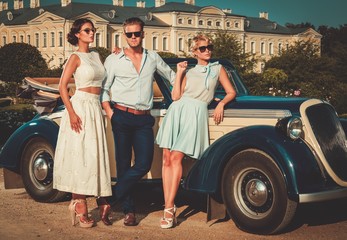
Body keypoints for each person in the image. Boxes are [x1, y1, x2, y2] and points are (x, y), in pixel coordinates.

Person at [101, 17, 177, 226]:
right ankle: (129, 211)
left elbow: (172, 77)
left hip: (144, 118)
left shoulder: (152, 58)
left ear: (143, 34)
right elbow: (104, 89)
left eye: (137, 33)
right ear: (124, 35)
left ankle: (109, 197)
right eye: (129, 34)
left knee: (143, 164)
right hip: (121, 116)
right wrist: (110, 112)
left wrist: (202, 92)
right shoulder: (114, 59)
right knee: (123, 165)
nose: (133, 37)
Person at [155, 34, 237, 229]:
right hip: (178, 111)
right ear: (194, 52)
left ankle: (168, 208)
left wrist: (221, 104)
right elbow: (175, 96)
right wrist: (180, 72)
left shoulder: (217, 68)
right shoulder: (189, 71)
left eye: (209, 47)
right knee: (166, 157)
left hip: (196, 112)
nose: (207, 50)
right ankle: (170, 206)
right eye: (202, 48)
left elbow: (231, 91)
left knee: (176, 158)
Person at [53, 18, 112, 228]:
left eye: (93, 30)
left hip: (95, 108)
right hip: (80, 107)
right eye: (87, 30)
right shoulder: (75, 57)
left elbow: (104, 81)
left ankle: (98, 198)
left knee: (94, 155)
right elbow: (62, 87)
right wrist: (71, 113)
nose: (92, 33)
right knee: (81, 155)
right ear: (77, 34)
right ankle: (79, 202)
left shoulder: (96, 55)